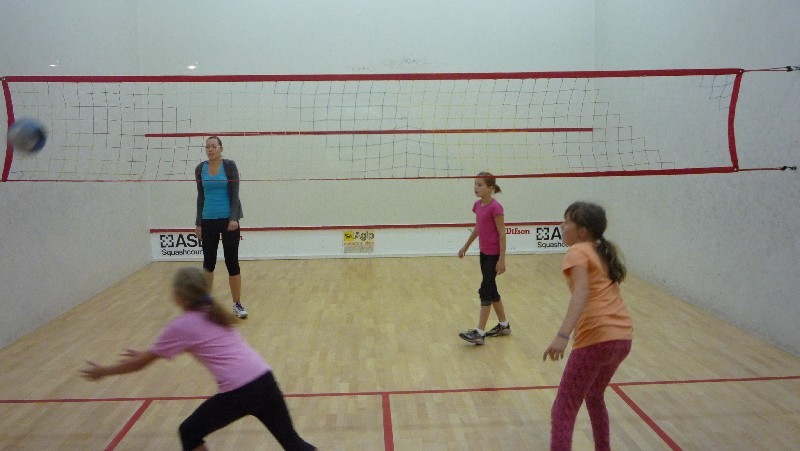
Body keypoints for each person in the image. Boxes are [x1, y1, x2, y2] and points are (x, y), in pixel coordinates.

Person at [80, 267, 316, 451]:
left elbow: (140, 364)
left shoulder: (182, 325)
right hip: (265, 380)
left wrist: (104, 371)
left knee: (189, 431)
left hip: (240, 391)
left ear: (178, 296)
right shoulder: (214, 313)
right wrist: (146, 353)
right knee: (293, 443)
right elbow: (164, 351)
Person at [543, 202, 633, 451]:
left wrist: (562, 335)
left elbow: (581, 292)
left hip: (597, 338)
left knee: (563, 409)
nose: (562, 226)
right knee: (594, 395)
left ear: (582, 230)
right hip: (622, 338)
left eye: (567, 222)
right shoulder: (599, 250)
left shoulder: (577, 251)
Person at [195, 136, 247, 319]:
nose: (210, 149)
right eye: (207, 147)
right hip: (208, 220)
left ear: (221, 149)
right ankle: (206, 304)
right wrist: (198, 222)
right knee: (208, 263)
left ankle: (237, 304)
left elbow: (235, 193)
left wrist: (234, 218)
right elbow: (200, 197)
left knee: (232, 262)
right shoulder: (200, 169)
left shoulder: (229, 166)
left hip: (228, 221)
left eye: (213, 146)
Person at [458, 171, 510, 345]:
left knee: (485, 290)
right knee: (491, 289)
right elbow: (478, 228)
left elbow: (502, 234)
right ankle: (504, 325)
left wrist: (502, 259)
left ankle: (479, 332)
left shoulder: (496, 208)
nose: (476, 187)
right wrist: (466, 246)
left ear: (490, 188)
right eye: (475, 184)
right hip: (484, 254)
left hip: (494, 255)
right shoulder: (477, 205)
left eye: (480, 185)